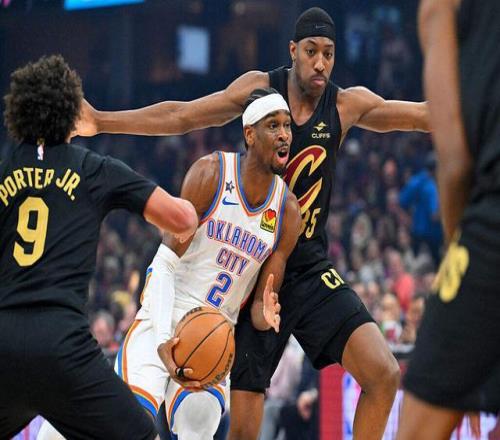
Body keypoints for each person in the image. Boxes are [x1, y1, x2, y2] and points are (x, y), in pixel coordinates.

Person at [77, 7, 430, 439]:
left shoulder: (344, 104)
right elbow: (183, 115)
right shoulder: (257, 90)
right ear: (293, 50)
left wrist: (478, 106)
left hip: (306, 267)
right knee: (241, 431)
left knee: (383, 373)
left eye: (329, 53)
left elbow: (419, 115)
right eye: (312, 51)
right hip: (251, 271)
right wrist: (102, 121)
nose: (321, 63)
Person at [0, 55, 198, 440]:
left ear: (18, 113)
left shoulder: (4, 171)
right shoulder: (93, 169)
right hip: (62, 342)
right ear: (73, 114)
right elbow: (182, 219)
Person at [116, 88, 301, 439]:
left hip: (213, 333)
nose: (284, 135)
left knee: (198, 430)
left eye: (287, 126)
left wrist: (267, 314)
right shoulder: (211, 173)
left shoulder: (287, 212)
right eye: (273, 125)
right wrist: (163, 339)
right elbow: (164, 263)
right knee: (128, 426)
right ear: (250, 134)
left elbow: (258, 310)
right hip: (165, 315)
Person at [398, 0, 500, 438]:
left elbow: (455, 164)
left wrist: (459, 253)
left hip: (491, 223)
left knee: (418, 423)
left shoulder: (441, 7)